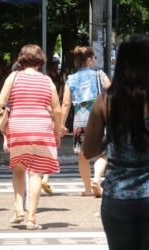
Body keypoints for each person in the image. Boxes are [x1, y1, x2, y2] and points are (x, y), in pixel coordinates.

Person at [83, 35, 149, 250]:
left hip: (117, 196)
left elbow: (89, 150)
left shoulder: (105, 101)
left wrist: (111, 136)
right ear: (148, 64)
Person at [0, 44, 61, 230]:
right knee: (36, 173)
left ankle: (19, 210)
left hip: (18, 126)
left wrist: (5, 126)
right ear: (40, 60)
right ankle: (32, 219)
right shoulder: (47, 81)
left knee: (18, 169)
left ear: (21, 59)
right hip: (42, 127)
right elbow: (56, 110)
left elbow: (0, 102)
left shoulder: (13, 77)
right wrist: (57, 132)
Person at [60, 46, 110, 197]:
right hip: (98, 116)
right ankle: (96, 179)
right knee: (104, 152)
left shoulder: (71, 79)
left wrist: (61, 124)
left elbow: (66, 103)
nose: (95, 60)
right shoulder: (100, 75)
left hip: (80, 118)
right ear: (88, 60)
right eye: (94, 58)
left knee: (83, 155)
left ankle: (88, 189)